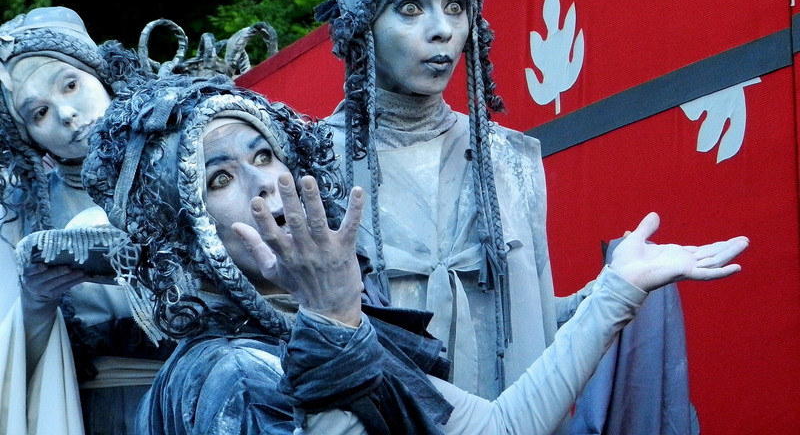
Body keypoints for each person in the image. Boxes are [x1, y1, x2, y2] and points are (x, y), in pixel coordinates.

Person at [82, 74, 748, 435]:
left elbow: (499, 427)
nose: (265, 182)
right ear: (181, 232)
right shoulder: (225, 373)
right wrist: (330, 322)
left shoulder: (341, 325)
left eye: (264, 153)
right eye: (219, 178)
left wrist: (616, 291)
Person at [314, 0, 710, 432]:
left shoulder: (510, 160)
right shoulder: (313, 166)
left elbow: (533, 328)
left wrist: (615, 287)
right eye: (410, 6)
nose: (442, 30)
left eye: (456, 5)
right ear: (360, 23)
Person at [0, 6, 165, 435]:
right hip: (102, 412)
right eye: (38, 113)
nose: (67, 114)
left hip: (211, 391)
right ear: (27, 137)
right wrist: (36, 303)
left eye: (70, 85)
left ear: (100, 75)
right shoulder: (21, 217)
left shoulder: (189, 158)